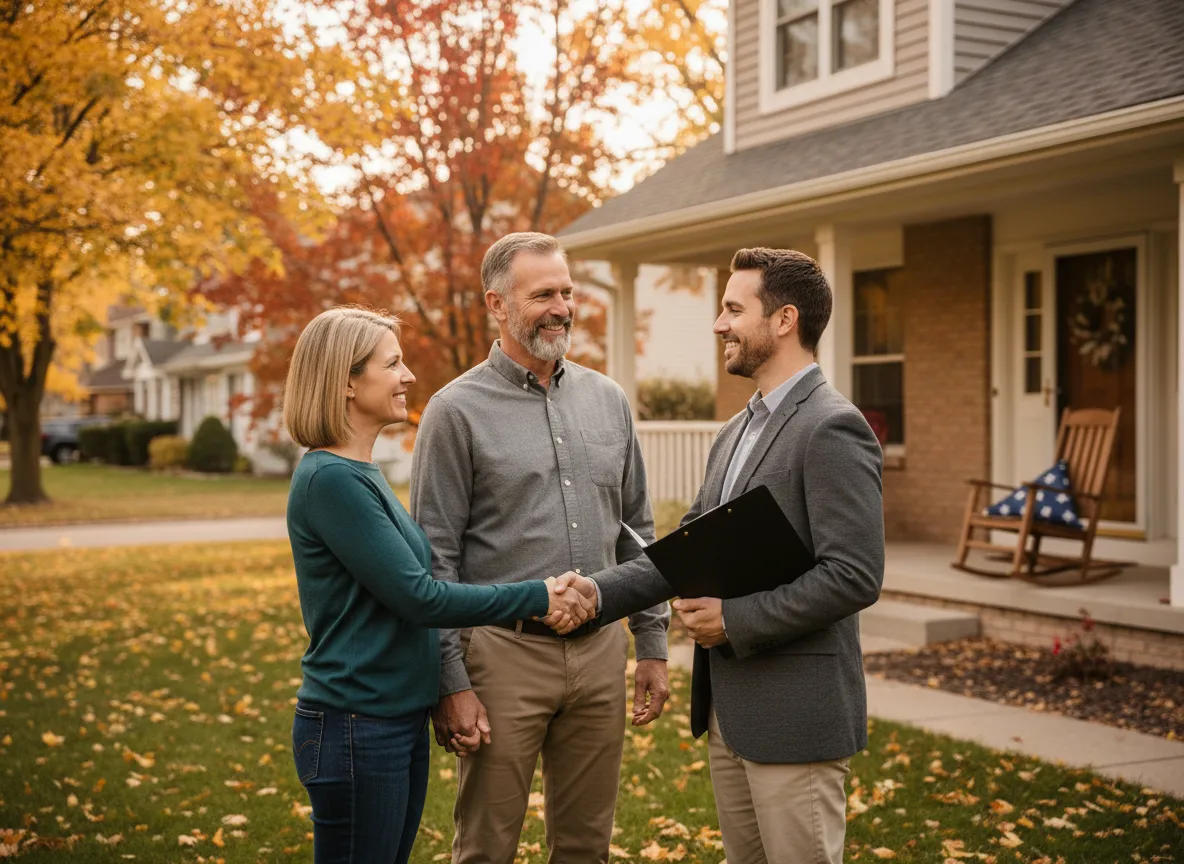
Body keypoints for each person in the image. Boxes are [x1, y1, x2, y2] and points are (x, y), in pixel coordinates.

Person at [559, 248, 885, 864]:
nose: (719, 324)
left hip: (796, 720)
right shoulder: (734, 431)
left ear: (784, 320)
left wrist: (733, 620)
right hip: (731, 716)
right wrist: (598, 594)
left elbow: (855, 575)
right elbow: (684, 552)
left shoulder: (832, 427)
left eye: (734, 308)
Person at [283, 306, 593, 864]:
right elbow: (419, 597)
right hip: (356, 724)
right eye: (393, 364)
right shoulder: (331, 480)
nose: (408, 377)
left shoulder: (359, 472)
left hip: (391, 718)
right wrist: (539, 595)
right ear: (347, 382)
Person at [410, 232, 671, 864]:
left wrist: (653, 647)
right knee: (486, 847)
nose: (560, 307)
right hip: (502, 656)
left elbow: (639, 533)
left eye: (567, 292)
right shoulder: (454, 412)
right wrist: (452, 683)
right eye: (542, 294)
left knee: (587, 846)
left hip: (602, 656)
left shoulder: (609, 401)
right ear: (497, 304)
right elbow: (433, 562)